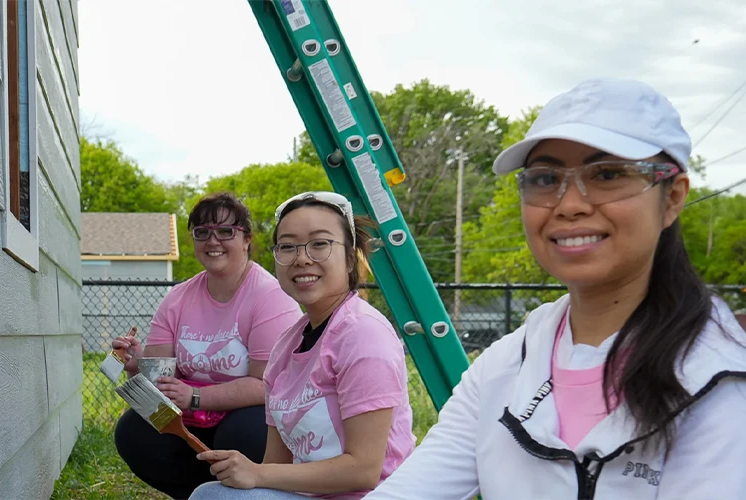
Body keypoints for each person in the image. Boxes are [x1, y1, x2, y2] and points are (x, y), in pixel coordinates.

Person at [364, 78, 746, 499]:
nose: (569, 204)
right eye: (545, 179)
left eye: (607, 174)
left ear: (672, 197)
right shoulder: (507, 365)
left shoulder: (721, 381)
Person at [189, 191, 415, 500]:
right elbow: (275, 464)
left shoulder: (363, 334)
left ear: (350, 256)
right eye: (288, 246)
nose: (302, 257)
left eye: (320, 243)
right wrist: (253, 475)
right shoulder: (287, 344)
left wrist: (256, 473)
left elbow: (364, 469)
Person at [111, 191, 303, 500]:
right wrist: (137, 365)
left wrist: (196, 396)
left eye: (225, 231)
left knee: (243, 432)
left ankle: (247, 493)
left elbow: (269, 385)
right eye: (202, 232)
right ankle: (199, 494)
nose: (212, 241)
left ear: (247, 239)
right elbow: (159, 376)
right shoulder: (177, 298)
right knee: (135, 430)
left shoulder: (271, 297)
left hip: (248, 415)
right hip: (190, 415)